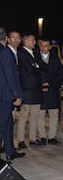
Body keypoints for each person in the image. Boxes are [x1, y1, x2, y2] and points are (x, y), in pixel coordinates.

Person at [17, 33, 47, 149]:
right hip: (28, 89)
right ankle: (20, 140)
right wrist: (36, 66)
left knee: (35, 116)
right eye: (33, 40)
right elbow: (29, 68)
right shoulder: (22, 54)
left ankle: (33, 138)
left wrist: (36, 66)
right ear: (26, 41)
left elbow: (43, 66)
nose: (35, 43)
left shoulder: (35, 54)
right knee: (24, 116)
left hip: (36, 89)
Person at [0, 27, 25, 161]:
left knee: (9, 124)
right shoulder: (5, 52)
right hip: (4, 96)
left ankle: (10, 151)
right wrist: (16, 95)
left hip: (3, 95)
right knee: (2, 125)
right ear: (6, 39)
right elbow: (10, 76)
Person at [37, 38, 63, 145]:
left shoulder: (55, 59)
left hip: (52, 91)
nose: (44, 48)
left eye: (46, 45)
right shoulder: (35, 58)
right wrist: (40, 85)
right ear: (39, 46)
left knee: (54, 115)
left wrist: (50, 84)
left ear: (50, 47)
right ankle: (42, 136)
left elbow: (60, 75)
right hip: (40, 92)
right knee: (40, 115)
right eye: (42, 45)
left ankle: (52, 137)